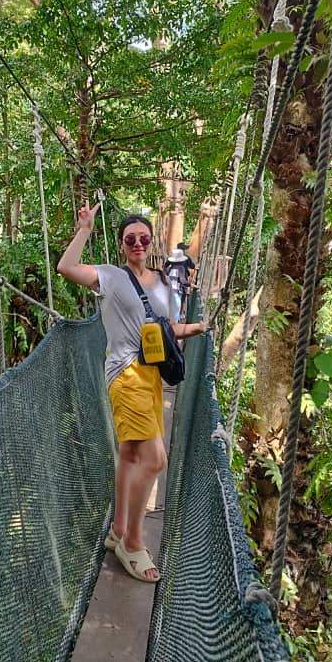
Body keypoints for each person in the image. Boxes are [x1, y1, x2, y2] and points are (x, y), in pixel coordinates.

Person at [57, 204, 207, 583]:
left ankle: (117, 529)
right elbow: (66, 267)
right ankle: (133, 542)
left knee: (129, 454)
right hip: (125, 375)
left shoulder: (160, 281)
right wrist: (85, 229)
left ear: (151, 241)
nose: (138, 243)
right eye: (130, 239)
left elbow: (167, 327)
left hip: (153, 375)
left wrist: (198, 327)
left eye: (144, 238)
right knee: (155, 460)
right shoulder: (109, 276)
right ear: (122, 245)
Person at [163, 243, 193, 320]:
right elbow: (192, 267)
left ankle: (168, 319)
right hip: (178, 288)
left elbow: (165, 266)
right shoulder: (183, 265)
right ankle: (177, 319)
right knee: (179, 302)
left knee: (169, 304)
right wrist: (189, 284)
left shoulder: (170, 269)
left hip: (169, 289)